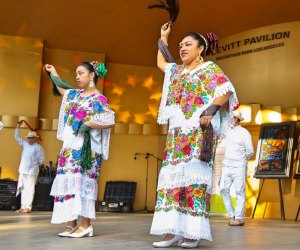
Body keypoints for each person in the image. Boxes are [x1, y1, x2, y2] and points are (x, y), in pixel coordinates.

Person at [150, 22, 239, 248]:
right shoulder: (177, 71)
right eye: (180, 45)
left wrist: (210, 111)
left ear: (200, 49)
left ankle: (192, 233)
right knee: (172, 180)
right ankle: (172, 232)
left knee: (195, 180)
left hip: (197, 135)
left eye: (188, 44)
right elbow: (161, 62)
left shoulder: (209, 69)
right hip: (176, 136)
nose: (182, 48)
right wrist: (164, 37)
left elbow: (226, 90)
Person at [45, 61, 115, 238]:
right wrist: (53, 72)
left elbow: (109, 120)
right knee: (69, 182)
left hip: (87, 151)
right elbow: (62, 89)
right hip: (69, 148)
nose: (77, 76)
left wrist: (87, 124)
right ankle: (71, 223)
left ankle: (86, 225)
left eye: (81, 73)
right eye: (76, 73)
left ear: (92, 75)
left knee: (83, 184)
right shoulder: (75, 95)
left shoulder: (99, 99)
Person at [219, 110, 254, 226]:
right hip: (227, 165)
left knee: (239, 191)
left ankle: (239, 218)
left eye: (231, 118)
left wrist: (242, 161)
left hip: (239, 166)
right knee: (223, 189)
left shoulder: (244, 132)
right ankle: (232, 215)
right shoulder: (227, 131)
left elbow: (250, 151)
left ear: (236, 119)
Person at [15, 121, 45, 213]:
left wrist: (33, 165)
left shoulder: (38, 147)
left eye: (31, 138)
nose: (29, 139)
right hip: (23, 170)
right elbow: (17, 137)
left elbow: (42, 160)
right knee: (23, 188)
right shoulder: (25, 144)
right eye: (28, 138)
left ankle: (28, 207)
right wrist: (17, 127)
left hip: (32, 171)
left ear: (36, 139)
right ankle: (23, 206)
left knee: (30, 188)